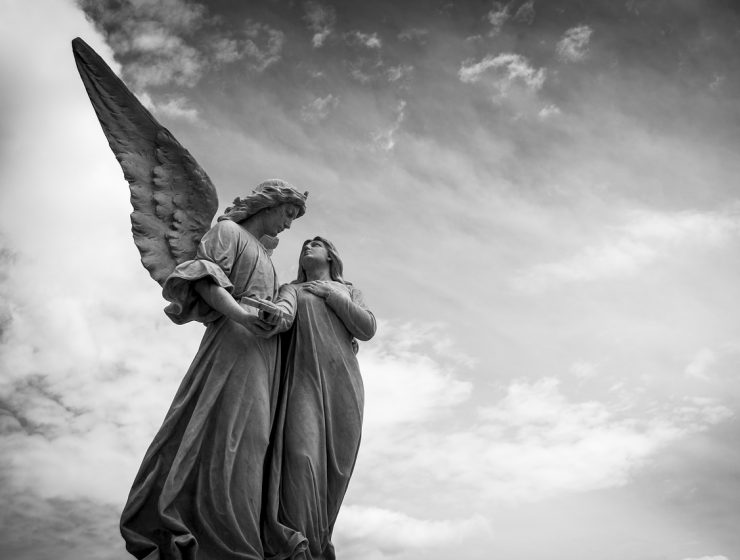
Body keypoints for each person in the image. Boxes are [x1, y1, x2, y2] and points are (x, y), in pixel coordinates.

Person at [120, 180, 308, 560]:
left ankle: (241, 535)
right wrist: (242, 315)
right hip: (233, 343)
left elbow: (268, 306)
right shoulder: (228, 233)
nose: (289, 224)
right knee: (224, 433)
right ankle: (215, 539)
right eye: (288, 213)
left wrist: (274, 319)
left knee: (254, 441)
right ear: (269, 204)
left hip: (262, 353)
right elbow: (206, 279)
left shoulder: (268, 259)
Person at [262, 237, 377, 560]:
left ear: (330, 254)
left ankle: (319, 541)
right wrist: (271, 315)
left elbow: (366, 328)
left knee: (336, 470)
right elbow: (284, 314)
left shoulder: (348, 290)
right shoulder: (292, 290)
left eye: (315, 244)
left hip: (344, 384)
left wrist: (329, 295)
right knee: (301, 458)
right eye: (304, 245)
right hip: (304, 383)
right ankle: (297, 546)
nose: (307, 247)